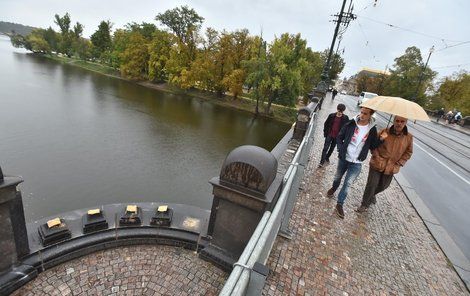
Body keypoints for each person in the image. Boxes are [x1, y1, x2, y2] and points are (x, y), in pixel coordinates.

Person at [326, 107, 379, 219]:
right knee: (337, 177)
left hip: (357, 162)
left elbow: (373, 146)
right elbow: (340, 137)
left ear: (370, 115)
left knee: (348, 183)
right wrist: (340, 149)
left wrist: (381, 140)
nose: (362, 115)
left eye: (365, 113)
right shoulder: (351, 123)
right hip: (344, 157)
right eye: (361, 112)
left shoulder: (372, 129)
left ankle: (339, 204)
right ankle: (334, 188)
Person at [356, 115, 413, 212]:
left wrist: (399, 163)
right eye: (397, 121)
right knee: (372, 184)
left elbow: (409, 152)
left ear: (405, 123)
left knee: (383, 186)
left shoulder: (408, 137)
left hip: (392, 166)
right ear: (394, 121)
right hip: (378, 162)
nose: (399, 123)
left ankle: (372, 194)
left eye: (402, 121)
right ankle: (364, 204)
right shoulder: (384, 131)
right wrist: (376, 155)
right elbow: (373, 144)